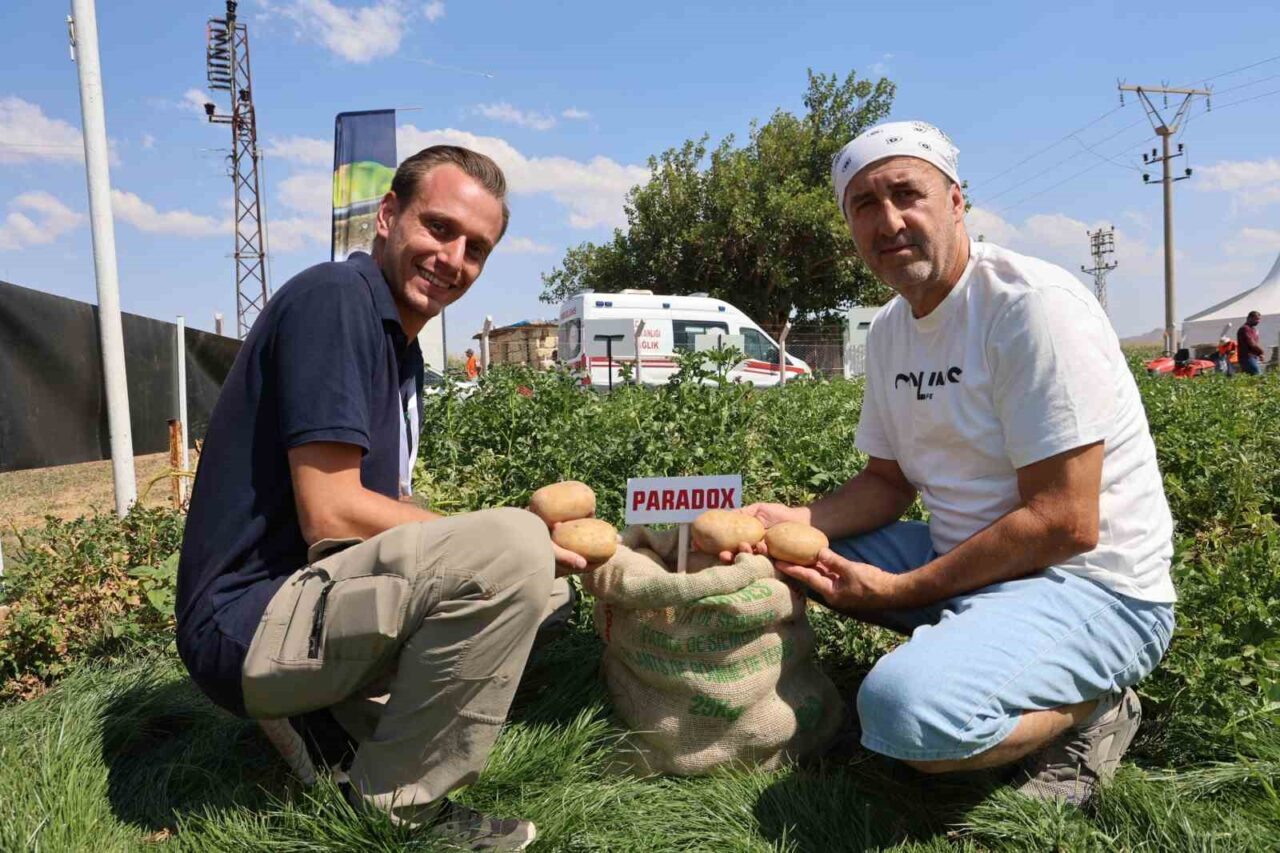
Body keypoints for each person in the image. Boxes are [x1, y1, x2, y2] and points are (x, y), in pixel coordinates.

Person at [734, 121, 1176, 806]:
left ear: (956, 201)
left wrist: (899, 590)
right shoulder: (889, 331)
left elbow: (1065, 522)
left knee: (901, 712)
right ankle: (961, 644)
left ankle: (1093, 707)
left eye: (907, 194)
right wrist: (782, 519)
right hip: (969, 559)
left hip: (1095, 588)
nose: (889, 221)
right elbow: (887, 482)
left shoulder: (1029, 308)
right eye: (864, 206)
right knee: (783, 550)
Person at [176, 145, 591, 849]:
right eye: (438, 226)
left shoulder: (396, 346)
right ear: (388, 215)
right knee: (517, 552)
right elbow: (332, 509)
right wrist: (507, 541)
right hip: (245, 623)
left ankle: (325, 719)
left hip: (298, 596)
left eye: (476, 248)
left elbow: (384, 503)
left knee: (540, 585)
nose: (452, 256)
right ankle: (394, 809)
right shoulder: (336, 301)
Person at [1237, 311, 1265, 375]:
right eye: (1256, 319)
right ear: (1249, 318)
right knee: (1258, 377)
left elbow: (1254, 344)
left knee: (1252, 379)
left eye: (1259, 319)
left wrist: (1258, 354)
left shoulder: (1253, 329)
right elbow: (1251, 343)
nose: (1258, 321)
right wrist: (1261, 352)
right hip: (1247, 358)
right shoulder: (1245, 329)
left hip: (1252, 357)